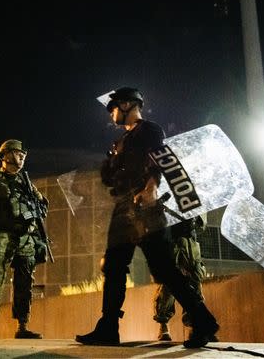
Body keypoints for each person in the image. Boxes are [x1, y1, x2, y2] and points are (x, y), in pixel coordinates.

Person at [75, 87, 219, 348]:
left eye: (115, 108)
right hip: (123, 209)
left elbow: (160, 158)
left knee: (164, 268)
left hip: (144, 208)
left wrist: (152, 185)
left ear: (129, 104)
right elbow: (109, 179)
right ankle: (108, 327)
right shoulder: (119, 142)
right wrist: (109, 163)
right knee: (114, 267)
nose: (112, 114)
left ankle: (203, 320)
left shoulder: (149, 130)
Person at [0, 139, 48, 339]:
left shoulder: (27, 184)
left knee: (25, 281)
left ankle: (23, 325)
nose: (21, 157)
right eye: (16, 153)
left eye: (23, 155)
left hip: (26, 236)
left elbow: (42, 208)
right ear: (4, 155)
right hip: (0, 234)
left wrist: (37, 207)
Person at [153, 215, 210, 342]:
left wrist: (198, 218)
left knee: (195, 282)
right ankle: (163, 324)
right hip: (171, 239)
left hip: (190, 241)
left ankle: (194, 326)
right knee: (168, 287)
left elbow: (202, 225)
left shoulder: (194, 196)